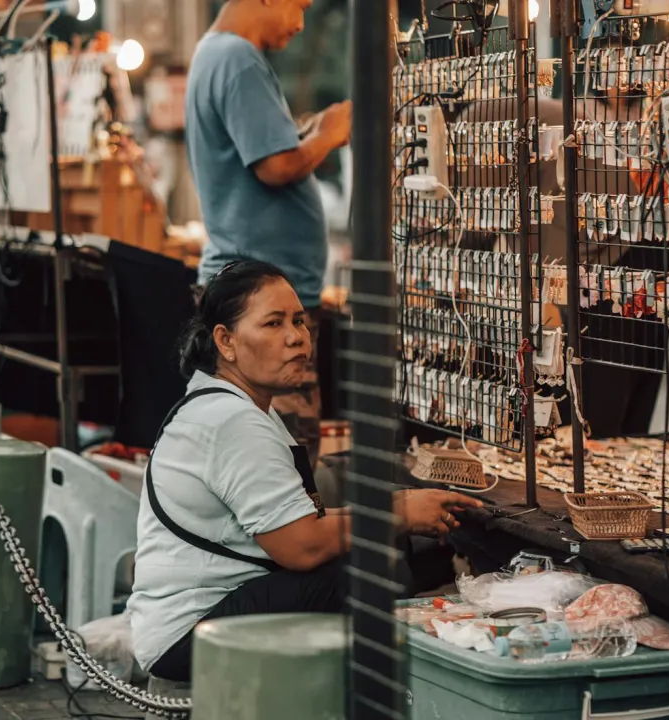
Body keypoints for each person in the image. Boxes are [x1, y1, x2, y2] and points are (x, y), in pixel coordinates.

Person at [127, 260, 482, 682]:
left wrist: (399, 508)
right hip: (187, 633)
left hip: (217, 609)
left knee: (390, 547)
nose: (297, 338)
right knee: (367, 572)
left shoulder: (241, 407)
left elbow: (298, 524)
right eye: (274, 324)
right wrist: (398, 511)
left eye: (299, 321)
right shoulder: (230, 420)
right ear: (226, 340)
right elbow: (300, 546)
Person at [186, 0, 353, 470]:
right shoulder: (236, 58)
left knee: (265, 447)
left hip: (259, 292)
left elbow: (270, 152)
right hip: (263, 299)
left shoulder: (218, 53)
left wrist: (308, 135)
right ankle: (287, 544)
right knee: (282, 458)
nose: (301, 24)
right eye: (298, 6)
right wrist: (331, 133)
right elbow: (275, 166)